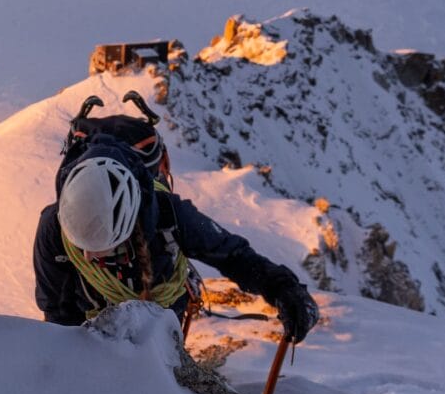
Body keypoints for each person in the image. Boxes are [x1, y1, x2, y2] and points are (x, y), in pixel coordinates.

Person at [32, 132, 318, 341]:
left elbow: (232, 255)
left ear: (131, 223)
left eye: (105, 247)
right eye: (80, 247)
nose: (87, 258)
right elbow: (57, 310)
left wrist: (283, 288)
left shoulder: (169, 216)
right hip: (91, 328)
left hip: (163, 317)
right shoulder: (53, 229)